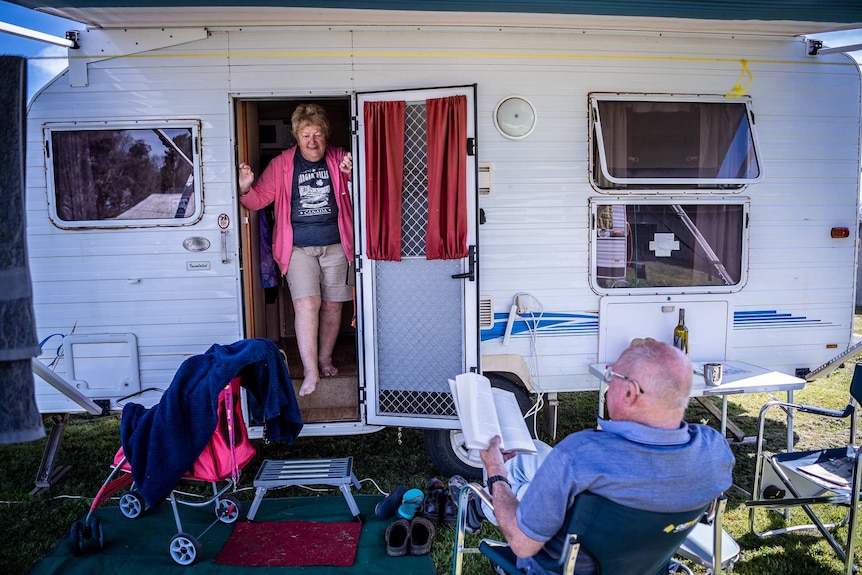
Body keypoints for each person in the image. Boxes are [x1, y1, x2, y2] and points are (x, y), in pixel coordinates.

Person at [477, 339, 735, 575]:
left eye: (612, 376)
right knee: (532, 456)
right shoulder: (714, 451)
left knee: (513, 477)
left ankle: (478, 506)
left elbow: (522, 545)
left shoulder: (580, 454)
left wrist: (495, 471)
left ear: (630, 392)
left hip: (556, 566)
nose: (608, 383)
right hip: (647, 564)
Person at [238, 103, 354, 397]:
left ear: (325, 135)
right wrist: (245, 189)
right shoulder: (282, 164)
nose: (312, 142)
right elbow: (258, 200)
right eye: (305, 135)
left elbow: (364, 189)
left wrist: (353, 172)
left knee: (333, 305)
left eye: (317, 134)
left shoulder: (340, 157)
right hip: (298, 248)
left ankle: (325, 359)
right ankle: (311, 370)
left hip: (338, 244)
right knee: (306, 304)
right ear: (296, 137)